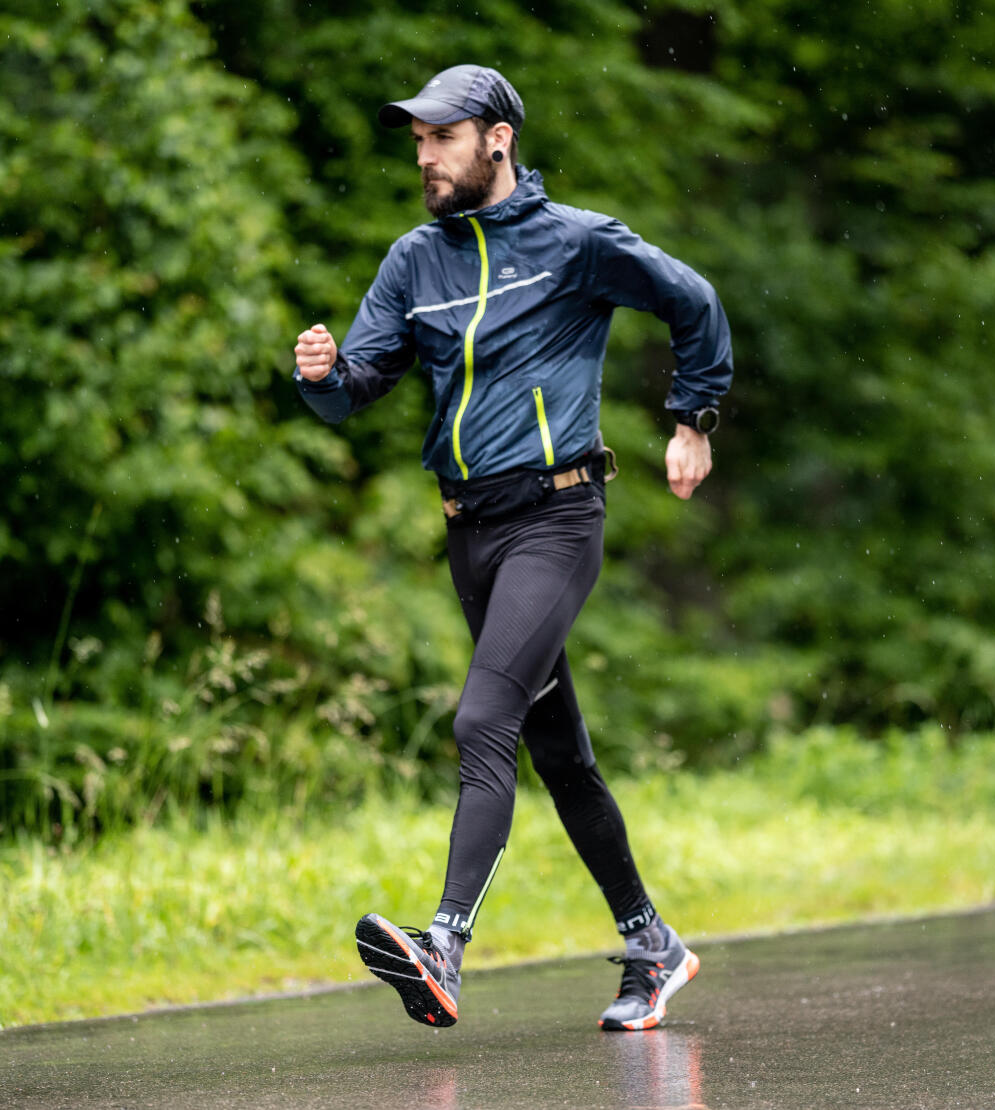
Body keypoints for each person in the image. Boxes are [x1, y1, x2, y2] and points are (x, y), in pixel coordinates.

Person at [292, 64, 732, 1032]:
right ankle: (651, 944)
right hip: (471, 537)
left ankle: (445, 943)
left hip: (555, 521)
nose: (423, 155)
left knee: (481, 720)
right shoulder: (414, 260)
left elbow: (692, 300)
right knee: (558, 754)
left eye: (439, 136)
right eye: (415, 140)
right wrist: (321, 377)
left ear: (496, 137)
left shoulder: (572, 243)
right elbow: (358, 385)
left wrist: (691, 417)